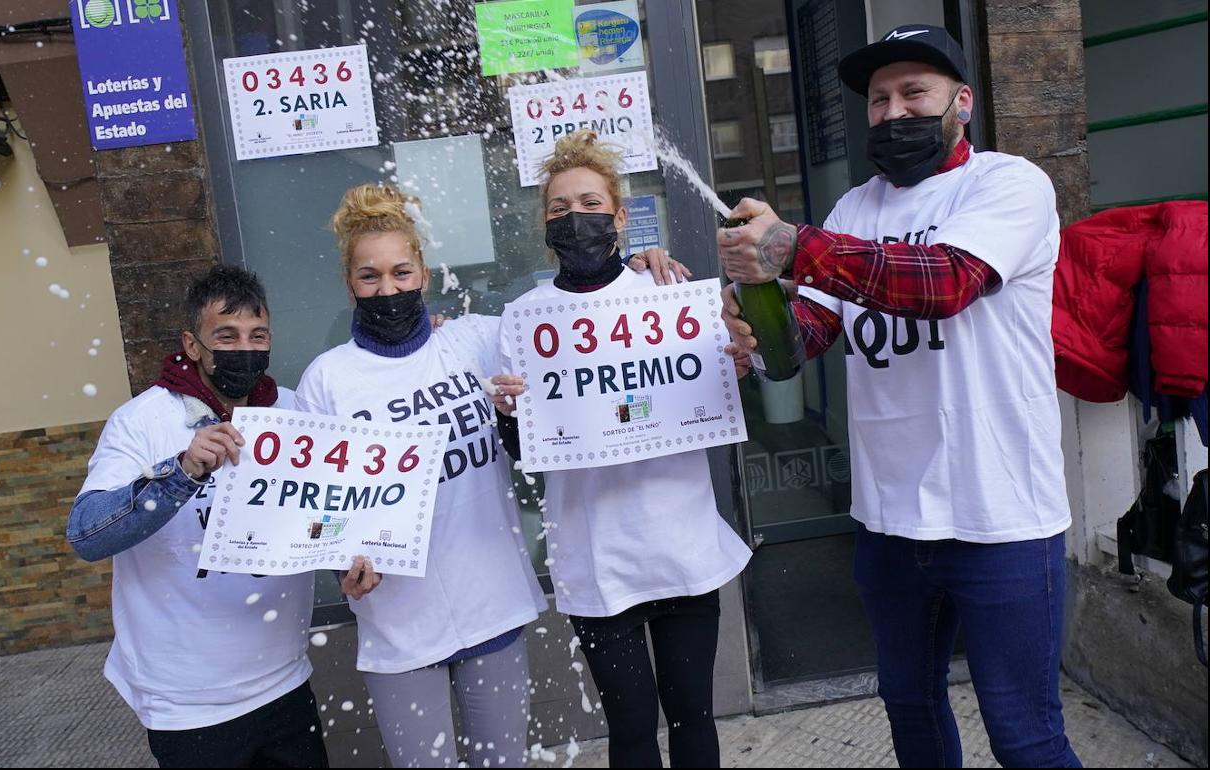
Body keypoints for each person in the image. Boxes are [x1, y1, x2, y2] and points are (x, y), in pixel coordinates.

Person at [717, 25, 1081, 769]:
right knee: (911, 713)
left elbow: (944, 282)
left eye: (914, 92)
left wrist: (797, 248)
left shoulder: (1010, 184)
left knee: (1026, 737)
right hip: (889, 522)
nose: (892, 112)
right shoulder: (854, 209)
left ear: (963, 102)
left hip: (1001, 515)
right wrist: (759, 322)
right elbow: (806, 341)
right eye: (879, 99)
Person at [294, 183, 688, 768]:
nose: (388, 288)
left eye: (401, 272)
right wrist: (338, 563)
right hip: (399, 624)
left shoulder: (477, 340)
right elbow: (317, 504)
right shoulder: (326, 380)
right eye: (370, 276)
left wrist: (633, 271)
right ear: (350, 283)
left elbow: (575, 320)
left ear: (424, 274)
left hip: (493, 605)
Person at [489, 130, 753, 769]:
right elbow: (528, 450)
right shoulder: (523, 321)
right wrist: (508, 414)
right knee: (631, 728)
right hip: (596, 553)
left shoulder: (668, 296)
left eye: (587, 202)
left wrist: (737, 363)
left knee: (695, 716)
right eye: (558, 208)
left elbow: (726, 378)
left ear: (619, 215)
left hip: (680, 544)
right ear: (544, 224)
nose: (573, 218)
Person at [66, 265, 380, 767]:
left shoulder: (293, 413)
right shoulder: (144, 421)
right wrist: (181, 472)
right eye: (226, 336)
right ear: (192, 345)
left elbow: (320, 516)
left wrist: (347, 562)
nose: (244, 348)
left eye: (257, 336)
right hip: (188, 705)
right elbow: (86, 533)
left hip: (285, 682)